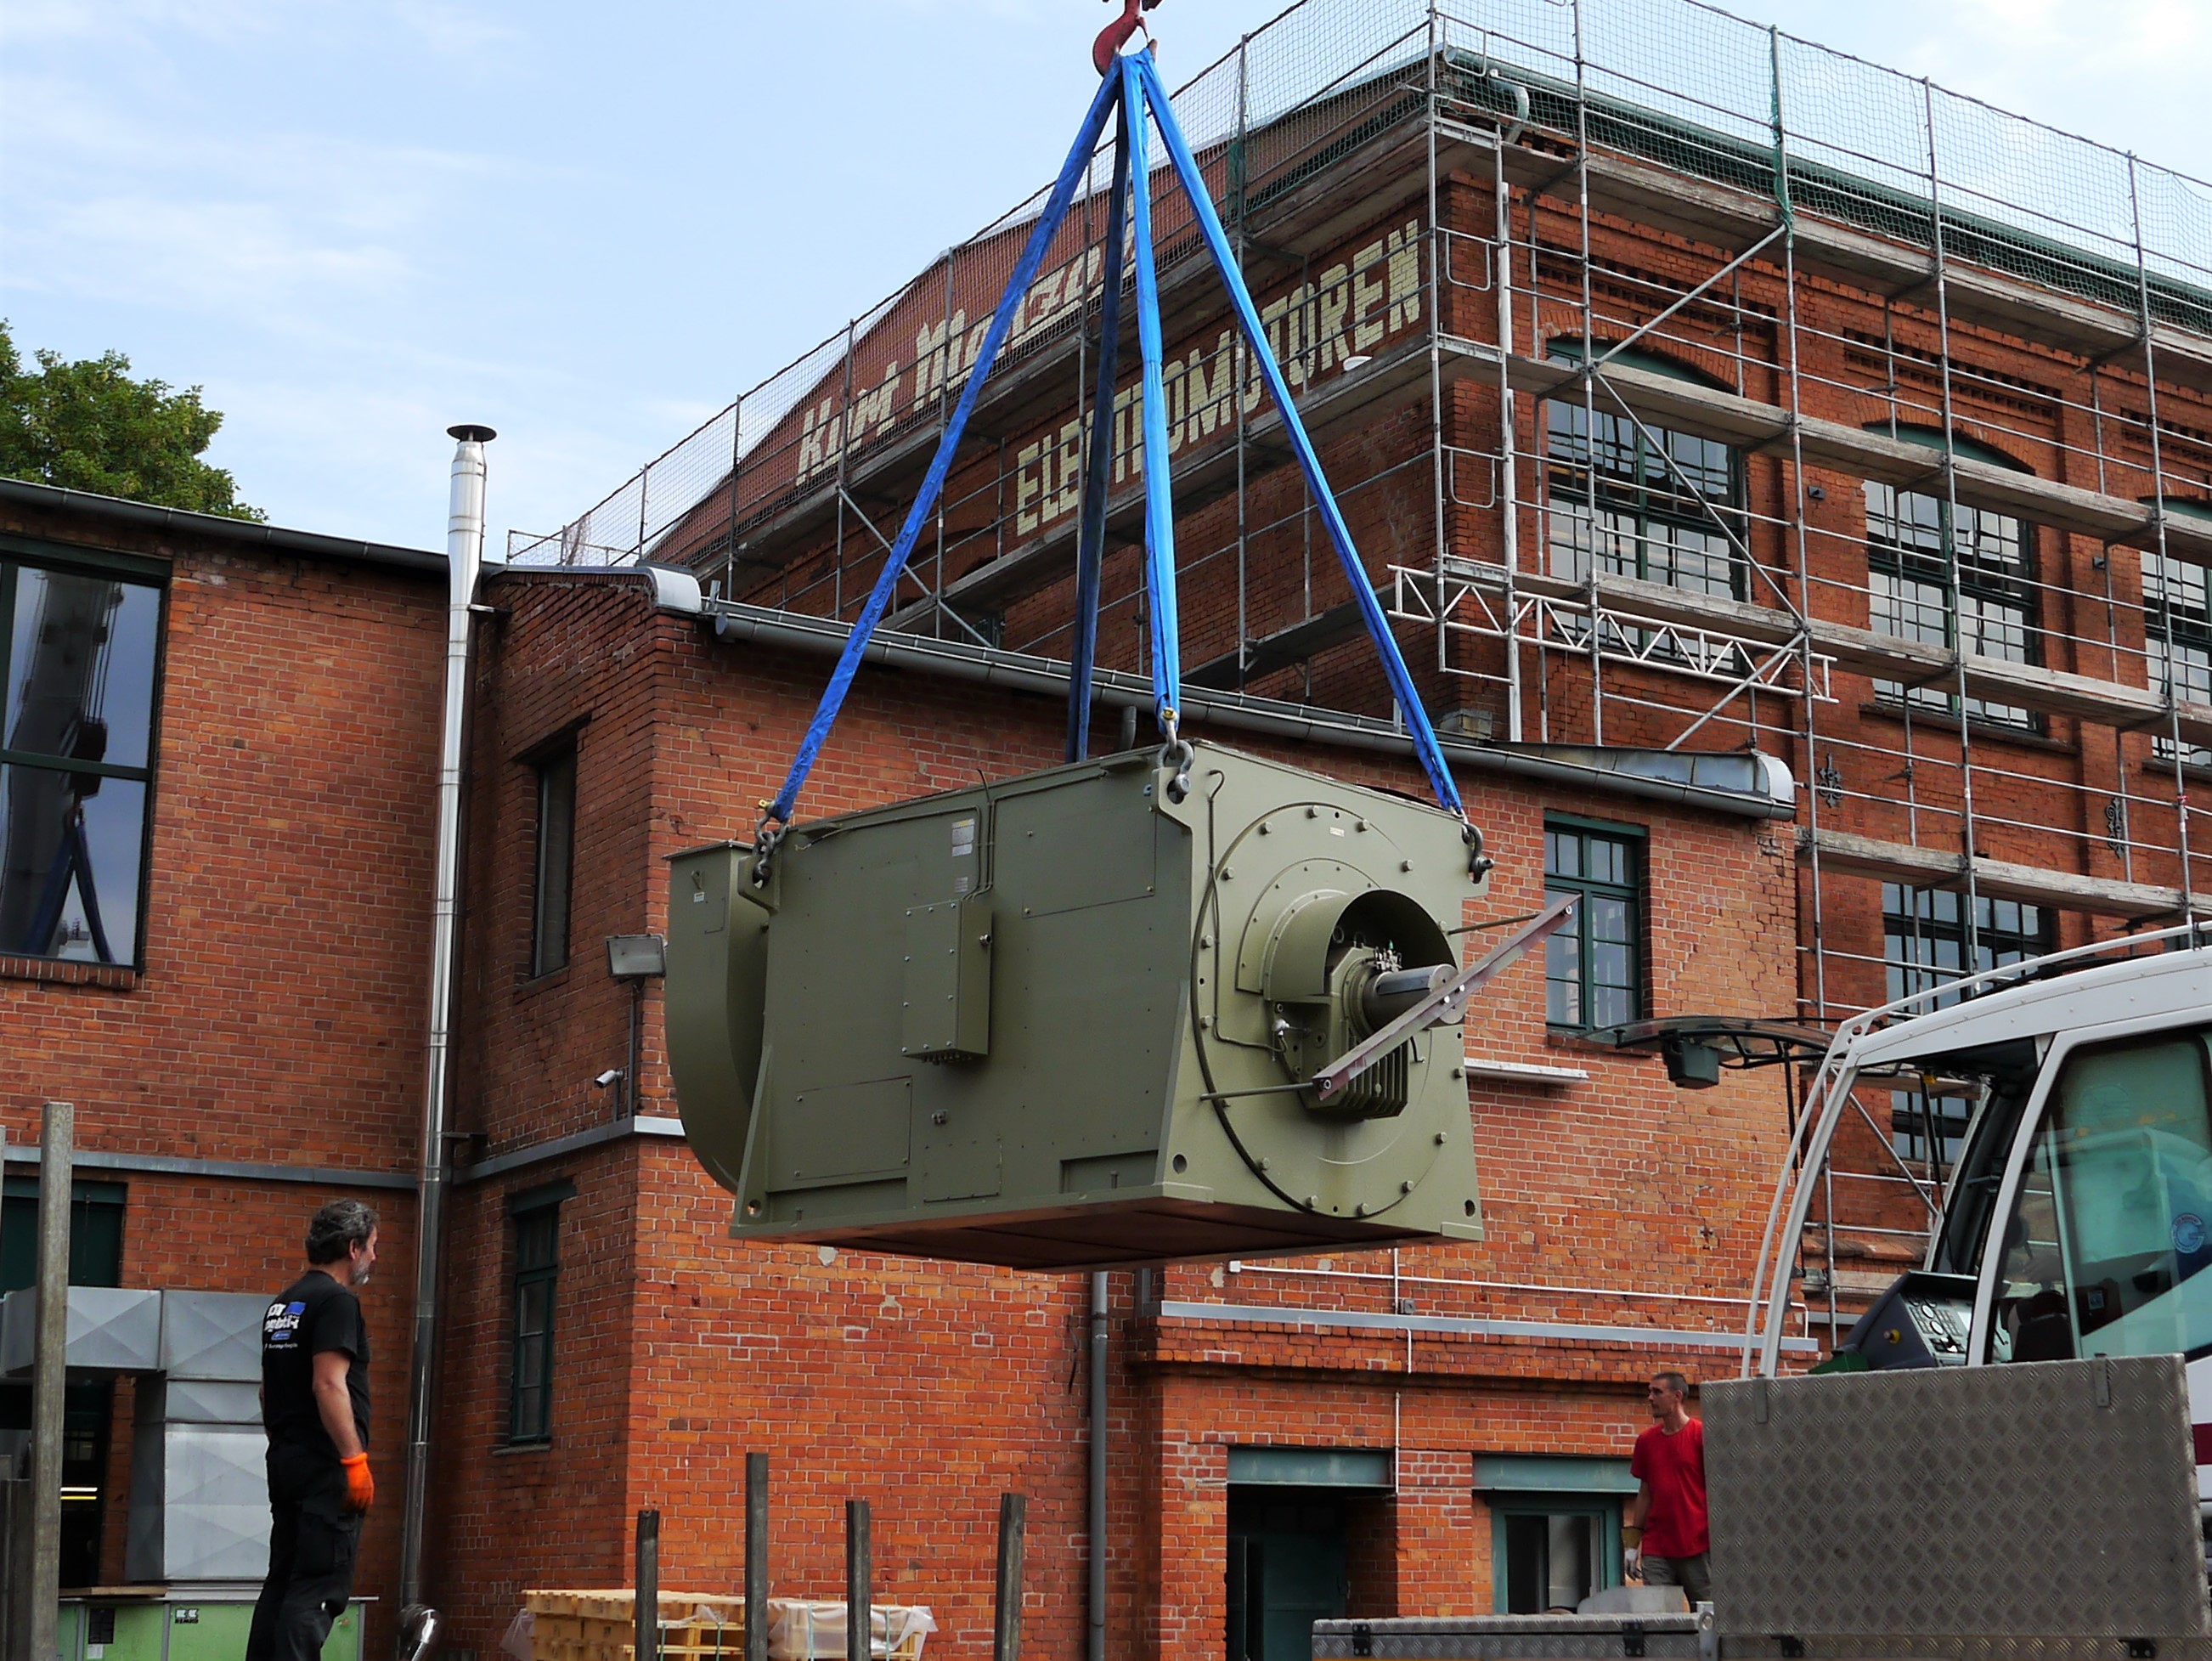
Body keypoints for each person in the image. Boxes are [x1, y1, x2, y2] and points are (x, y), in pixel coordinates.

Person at [249, 1198, 379, 1661]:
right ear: (352, 1247)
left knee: (282, 1581)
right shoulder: (338, 1302)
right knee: (319, 1586)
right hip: (327, 1468)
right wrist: (353, 1459)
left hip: (286, 1461)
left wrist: (287, 1446)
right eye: (371, 1248)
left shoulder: (284, 1304)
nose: (373, 1259)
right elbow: (328, 1383)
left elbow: (267, 1392)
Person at [1624, 1370, 1710, 1607]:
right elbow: (1644, 1493)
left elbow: (1719, 1490)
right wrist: (1632, 1545)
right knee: (1659, 1620)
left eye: (1657, 1392)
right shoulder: (1646, 1441)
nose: (1650, 1398)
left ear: (1677, 1396)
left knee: (1708, 1614)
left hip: (1698, 1544)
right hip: (1657, 1547)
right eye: (1649, 1392)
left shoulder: (1701, 1436)